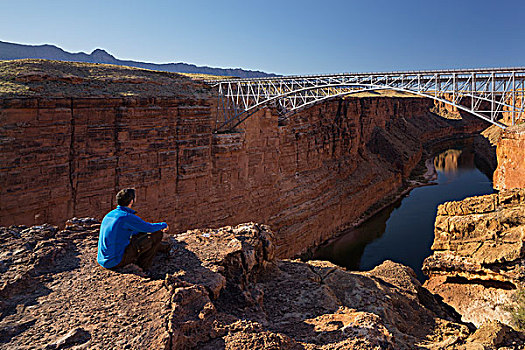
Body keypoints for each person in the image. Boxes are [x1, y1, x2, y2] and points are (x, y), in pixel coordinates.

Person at [97, 188, 168, 270]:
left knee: (140, 234)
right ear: (131, 201)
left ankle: (162, 247)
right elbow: (149, 228)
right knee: (157, 234)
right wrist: (163, 225)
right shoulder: (126, 217)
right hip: (115, 261)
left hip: (103, 259)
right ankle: (143, 266)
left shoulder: (110, 214)